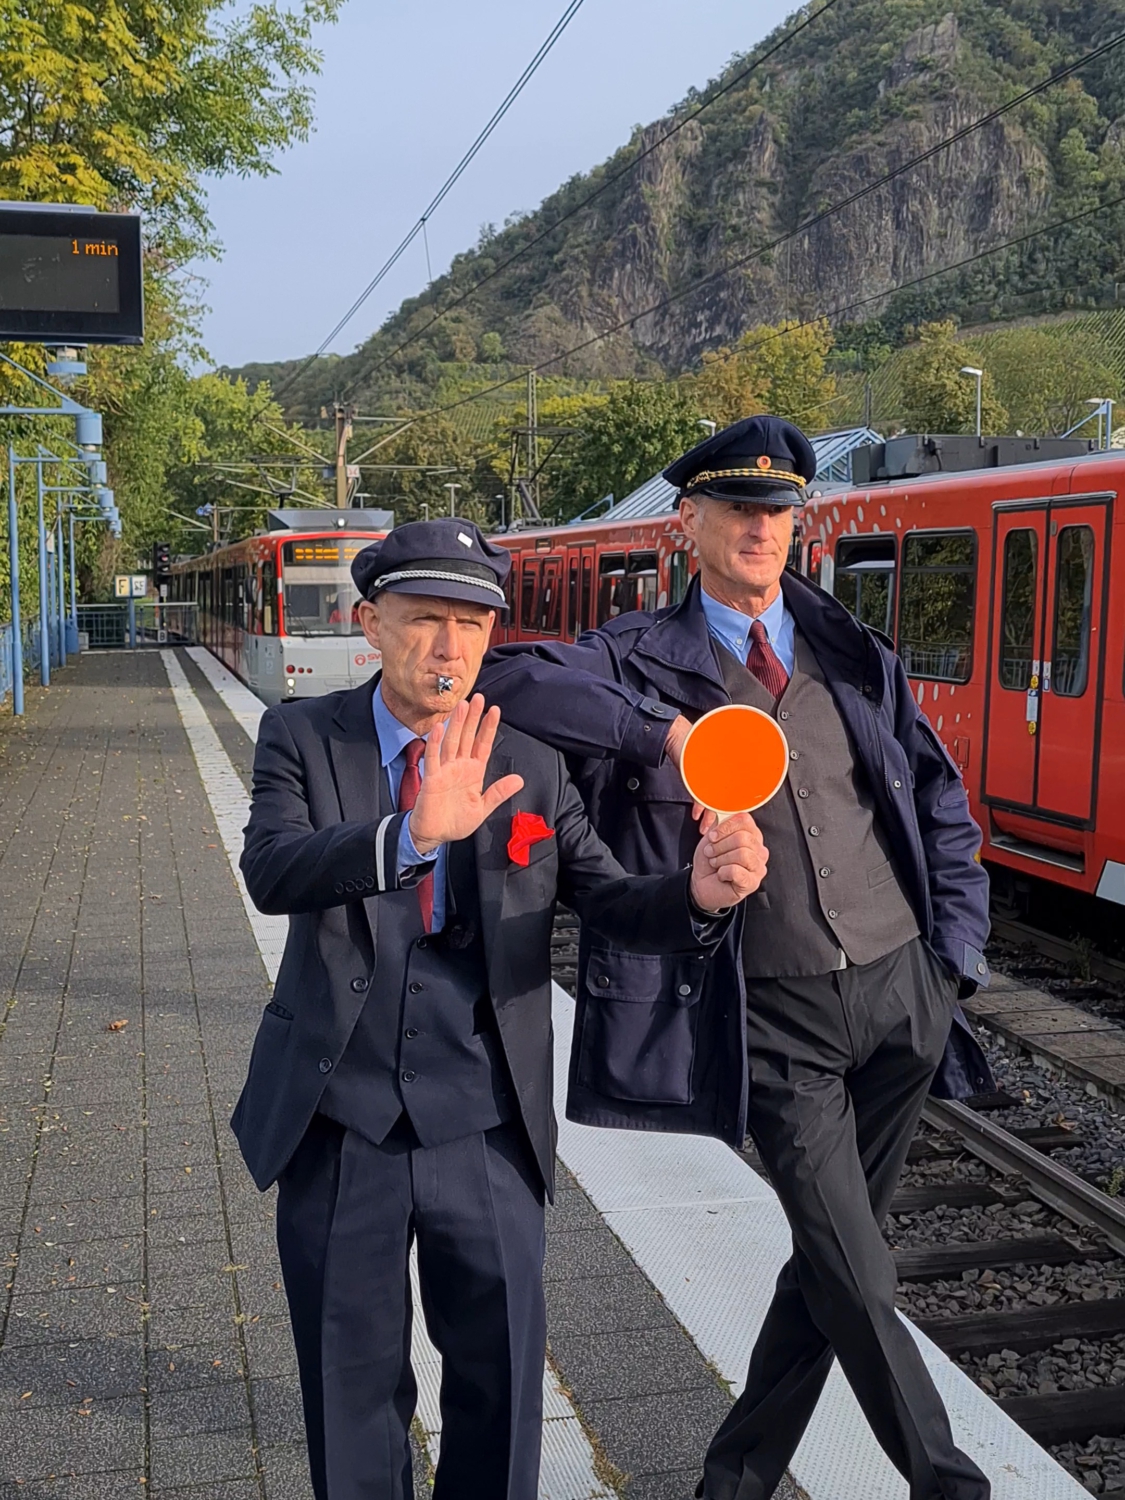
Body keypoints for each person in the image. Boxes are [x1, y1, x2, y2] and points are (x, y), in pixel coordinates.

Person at [475, 417, 994, 1500]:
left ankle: (736, 1478)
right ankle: (951, 1483)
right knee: (857, 1270)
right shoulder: (634, 657)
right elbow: (514, 688)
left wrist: (952, 961)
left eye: (780, 511)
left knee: (829, 1269)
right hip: (774, 1012)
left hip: (904, 993)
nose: (764, 528)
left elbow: (940, 801)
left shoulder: (850, 649)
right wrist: (663, 737)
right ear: (690, 525)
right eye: (741, 510)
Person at [230, 518, 769, 1500]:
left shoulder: (535, 762)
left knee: (502, 1383)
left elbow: (607, 897)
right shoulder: (304, 737)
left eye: (472, 624)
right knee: (349, 1385)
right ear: (370, 623)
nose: (449, 647)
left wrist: (697, 893)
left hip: (485, 1121)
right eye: (423, 619)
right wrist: (406, 835)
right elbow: (272, 869)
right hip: (339, 1118)